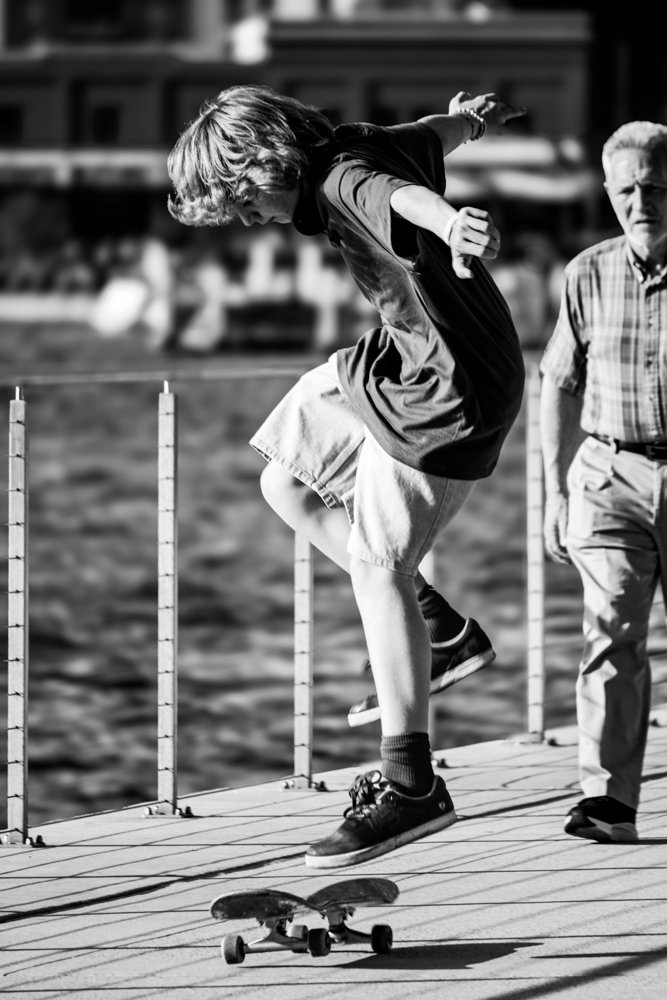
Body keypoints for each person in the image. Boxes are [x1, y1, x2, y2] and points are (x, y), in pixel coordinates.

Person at [168, 85, 526, 867]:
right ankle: (437, 629)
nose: (240, 214)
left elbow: (397, 198)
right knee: (286, 479)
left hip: (450, 386)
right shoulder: (360, 140)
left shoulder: (342, 181)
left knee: (375, 564)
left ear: (267, 157)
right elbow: (431, 134)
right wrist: (471, 120)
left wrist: (452, 225)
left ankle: (410, 785)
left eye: (240, 197)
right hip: (400, 354)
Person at [540, 121, 667, 844]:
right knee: (609, 633)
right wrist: (554, 492)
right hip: (608, 472)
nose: (638, 200)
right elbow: (556, 381)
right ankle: (607, 802)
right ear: (607, 192)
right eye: (625, 189)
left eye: (652, 185)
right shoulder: (585, 272)